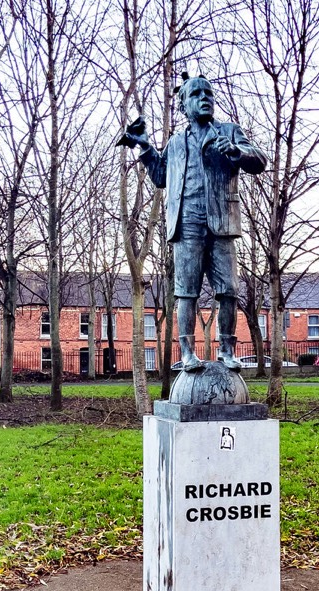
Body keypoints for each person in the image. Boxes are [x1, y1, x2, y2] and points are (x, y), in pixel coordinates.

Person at [121, 76, 266, 373]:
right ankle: (187, 352)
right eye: (196, 94)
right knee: (185, 291)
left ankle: (227, 349)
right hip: (186, 221)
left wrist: (238, 152)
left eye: (208, 93)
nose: (205, 98)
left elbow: (260, 161)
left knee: (228, 290)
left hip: (221, 221)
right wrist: (145, 146)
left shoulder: (228, 132)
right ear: (184, 105)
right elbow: (161, 178)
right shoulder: (176, 142)